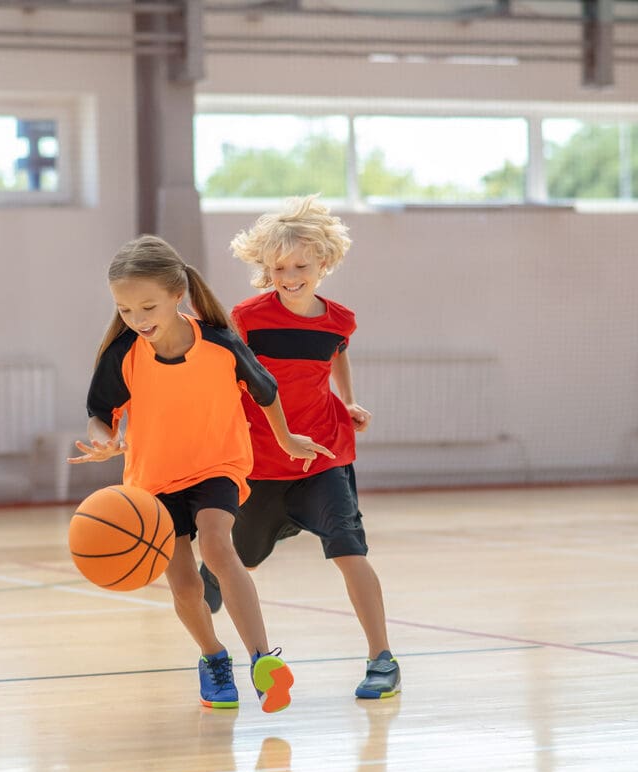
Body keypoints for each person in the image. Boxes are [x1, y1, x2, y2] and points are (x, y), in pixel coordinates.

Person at [68, 234, 334, 713]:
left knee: (217, 544)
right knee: (186, 585)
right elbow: (99, 413)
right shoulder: (124, 353)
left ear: (177, 294)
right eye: (125, 310)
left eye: (147, 307)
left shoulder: (219, 344)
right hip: (153, 481)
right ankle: (213, 657)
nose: (137, 319)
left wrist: (286, 439)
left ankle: (262, 660)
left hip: (217, 465)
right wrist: (104, 439)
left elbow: (266, 391)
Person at [199, 195, 401, 700]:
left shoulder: (340, 320)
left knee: (350, 552)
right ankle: (216, 591)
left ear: (324, 263)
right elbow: (226, 376)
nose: (289, 277)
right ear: (266, 270)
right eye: (279, 268)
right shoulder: (246, 317)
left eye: (300, 266)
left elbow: (337, 355)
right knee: (238, 564)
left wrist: (348, 401)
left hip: (323, 457)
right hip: (261, 464)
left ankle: (382, 659)